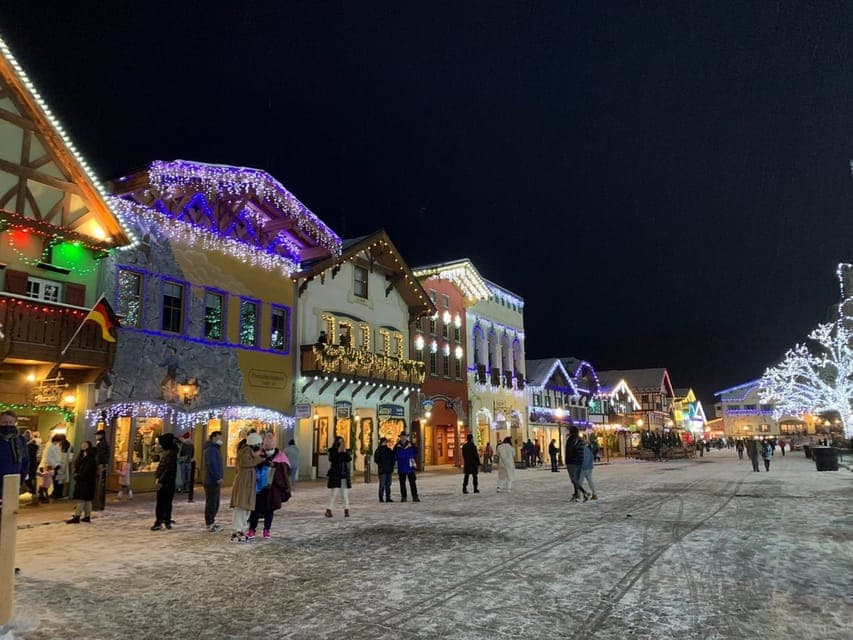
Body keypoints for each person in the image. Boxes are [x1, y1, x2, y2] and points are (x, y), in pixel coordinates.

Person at [248, 432, 292, 539]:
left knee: (269, 509)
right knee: (255, 509)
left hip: (272, 488)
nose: (268, 450)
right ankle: (252, 529)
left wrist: (275, 466)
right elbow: (253, 464)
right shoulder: (259, 453)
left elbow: (286, 469)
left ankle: (266, 530)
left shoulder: (280, 455)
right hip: (258, 487)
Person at [230, 432, 264, 541]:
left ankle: (241, 529)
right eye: (259, 444)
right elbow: (246, 463)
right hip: (244, 484)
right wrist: (259, 459)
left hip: (247, 483)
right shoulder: (245, 451)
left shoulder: (249, 451)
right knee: (241, 507)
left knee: (245, 508)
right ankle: (237, 531)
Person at [0, 411, 29, 511]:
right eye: (4, 422)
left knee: (9, 513)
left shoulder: (20, 440)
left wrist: (21, 480)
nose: (7, 425)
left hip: (12, 481)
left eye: (10, 422)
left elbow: (25, 460)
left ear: (15, 423)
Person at [150, 433, 177, 530]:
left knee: (161, 503)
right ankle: (166, 520)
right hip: (168, 482)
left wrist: (160, 480)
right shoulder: (170, 454)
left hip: (166, 482)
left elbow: (167, 469)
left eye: (160, 444)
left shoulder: (169, 455)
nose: (158, 446)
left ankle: (159, 521)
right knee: (167, 502)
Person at [66, 440, 97, 523]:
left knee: (81, 499)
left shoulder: (90, 459)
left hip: (85, 482)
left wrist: (78, 476)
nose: (83, 446)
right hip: (86, 481)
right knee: (87, 500)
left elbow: (86, 471)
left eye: (85, 445)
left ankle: (77, 516)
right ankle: (87, 516)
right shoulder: (84, 457)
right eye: (82, 444)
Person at [325, 436, 352, 517]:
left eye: (342, 442)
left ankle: (346, 510)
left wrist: (344, 452)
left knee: (344, 494)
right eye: (339, 442)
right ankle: (329, 510)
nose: (340, 444)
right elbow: (332, 460)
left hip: (343, 475)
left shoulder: (345, 451)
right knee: (334, 493)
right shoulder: (333, 451)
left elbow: (348, 459)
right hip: (335, 475)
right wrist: (338, 452)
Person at [203, 430, 224, 532]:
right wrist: (217, 477)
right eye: (219, 438)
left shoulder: (215, 449)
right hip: (211, 481)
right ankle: (210, 523)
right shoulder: (211, 449)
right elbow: (212, 464)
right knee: (212, 502)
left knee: (215, 502)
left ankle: (211, 522)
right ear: (214, 438)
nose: (221, 440)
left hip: (213, 480)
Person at [393, 432, 419, 502]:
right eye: (402, 436)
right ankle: (404, 497)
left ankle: (415, 496)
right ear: (400, 437)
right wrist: (397, 460)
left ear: (406, 437)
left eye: (404, 436)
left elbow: (416, 452)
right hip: (401, 466)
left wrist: (412, 457)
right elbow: (394, 455)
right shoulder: (397, 446)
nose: (403, 438)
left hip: (410, 467)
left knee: (412, 483)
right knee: (402, 483)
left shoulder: (411, 445)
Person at [565, 426, 587, 501]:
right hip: (580, 462)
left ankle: (584, 492)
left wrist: (568, 460)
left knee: (573, 480)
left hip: (572, 462)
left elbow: (569, 451)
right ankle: (576, 495)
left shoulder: (571, 439)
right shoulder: (580, 439)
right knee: (576, 479)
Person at [373, 437, 395, 502]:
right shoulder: (378, 450)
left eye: (386, 442)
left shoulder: (389, 450)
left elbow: (392, 458)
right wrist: (381, 464)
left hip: (388, 470)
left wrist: (392, 465)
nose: (385, 443)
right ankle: (381, 498)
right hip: (382, 470)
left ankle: (388, 498)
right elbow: (376, 459)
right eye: (384, 442)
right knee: (382, 485)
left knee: (388, 485)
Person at [93, 429, 109, 511]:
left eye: (97, 435)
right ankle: (99, 504)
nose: (96, 436)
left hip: (100, 465)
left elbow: (100, 455)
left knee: (99, 484)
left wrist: (98, 463)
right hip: (103, 465)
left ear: (101, 435)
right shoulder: (104, 443)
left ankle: (97, 504)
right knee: (101, 484)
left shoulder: (102, 444)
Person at [54, 436, 73, 500]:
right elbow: (70, 458)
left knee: (57, 481)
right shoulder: (69, 445)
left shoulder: (59, 445)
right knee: (60, 481)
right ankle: (58, 494)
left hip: (58, 465)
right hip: (64, 465)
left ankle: (56, 494)